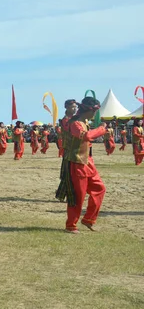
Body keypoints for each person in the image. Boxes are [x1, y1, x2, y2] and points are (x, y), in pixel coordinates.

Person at [58, 97, 107, 233]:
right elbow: (85, 136)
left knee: (100, 188)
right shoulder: (74, 123)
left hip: (87, 161)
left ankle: (89, 219)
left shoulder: (84, 121)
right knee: (77, 196)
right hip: (76, 162)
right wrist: (101, 129)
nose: (95, 114)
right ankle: (71, 225)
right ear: (88, 110)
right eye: (95, 111)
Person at [55, 99, 78, 202]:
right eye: (73, 106)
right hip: (69, 149)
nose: (75, 108)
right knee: (68, 173)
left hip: (75, 148)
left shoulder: (74, 118)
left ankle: (61, 194)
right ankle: (68, 195)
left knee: (70, 173)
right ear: (67, 108)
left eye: (75, 106)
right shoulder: (66, 120)